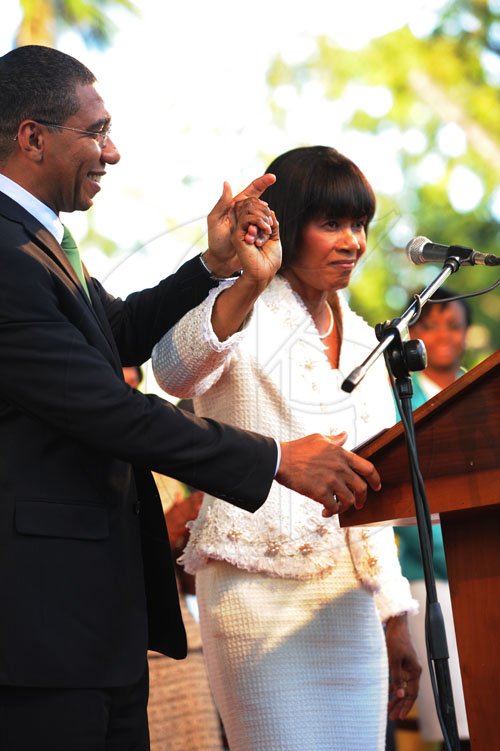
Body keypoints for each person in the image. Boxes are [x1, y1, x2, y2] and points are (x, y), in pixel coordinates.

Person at [0, 48, 383, 751]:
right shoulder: (4, 253)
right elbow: (109, 406)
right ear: (32, 138)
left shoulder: (41, 242)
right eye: (97, 131)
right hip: (38, 620)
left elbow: (115, 333)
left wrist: (211, 264)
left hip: (89, 619)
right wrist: (274, 459)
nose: (112, 152)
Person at [152, 145, 422, 751]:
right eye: (332, 224)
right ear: (288, 225)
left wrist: (396, 619)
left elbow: (371, 485)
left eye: (359, 225)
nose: (352, 240)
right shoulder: (241, 300)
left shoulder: (364, 338)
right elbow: (172, 371)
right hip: (255, 590)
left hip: (350, 607)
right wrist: (249, 281)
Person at [396, 289, 471, 749]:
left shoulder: (478, 389)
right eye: (432, 323)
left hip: (481, 567)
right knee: (452, 722)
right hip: (426, 575)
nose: (443, 334)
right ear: (414, 333)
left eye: (454, 324)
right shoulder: (398, 397)